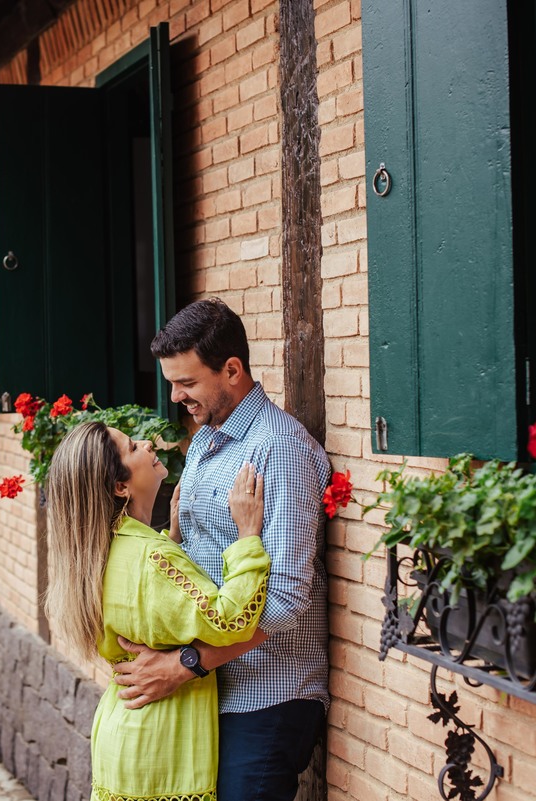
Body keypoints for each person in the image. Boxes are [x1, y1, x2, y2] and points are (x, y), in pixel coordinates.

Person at [112, 298, 331, 801]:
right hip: (210, 689)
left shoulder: (279, 449)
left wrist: (182, 664)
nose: (175, 397)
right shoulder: (207, 441)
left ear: (232, 370)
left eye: (186, 383)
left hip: (267, 695)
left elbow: (284, 602)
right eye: (172, 383)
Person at [45, 419, 270, 801]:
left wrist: (173, 539)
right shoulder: (153, 558)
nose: (147, 443)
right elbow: (231, 621)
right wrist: (248, 537)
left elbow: (148, 599)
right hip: (160, 748)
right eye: (132, 447)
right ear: (120, 487)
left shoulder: (100, 553)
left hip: (124, 733)